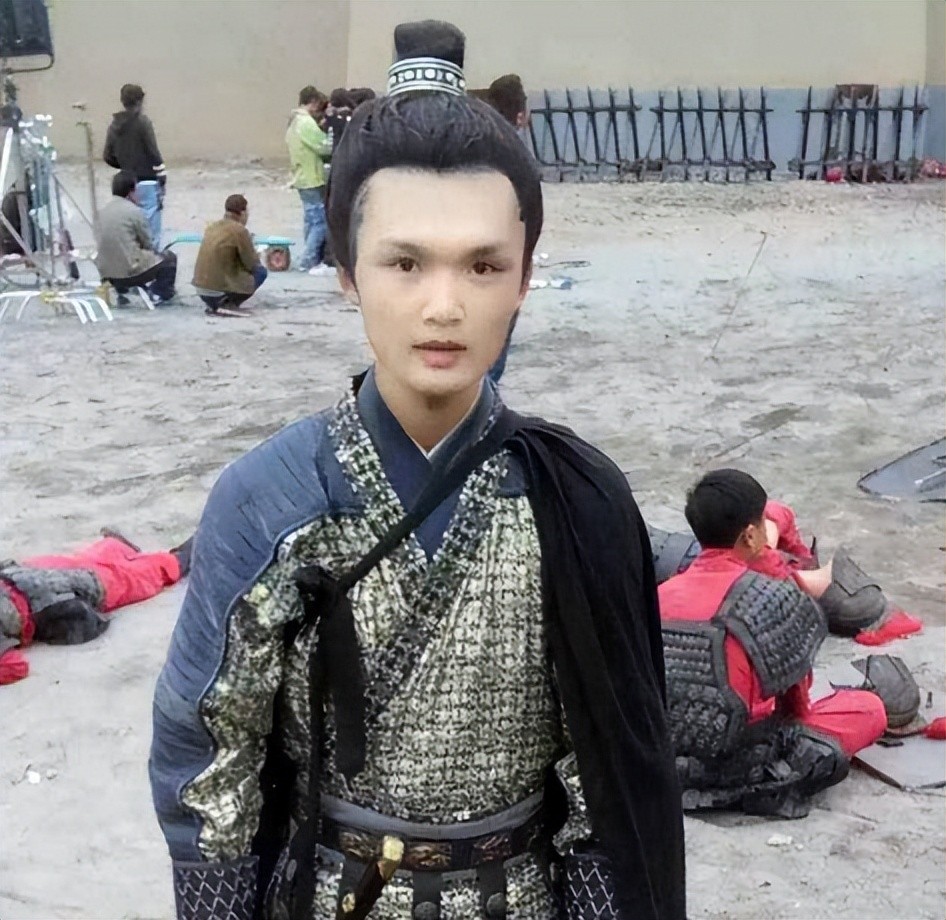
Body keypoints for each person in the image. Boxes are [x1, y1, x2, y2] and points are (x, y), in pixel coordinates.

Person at [151, 20, 684, 920]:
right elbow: (207, 745)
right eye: (404, 262)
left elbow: (609, 768)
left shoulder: (577, 498)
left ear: (524, 278)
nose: (444, 305)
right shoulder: (266, 499)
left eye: (483, 265)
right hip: (331, 896)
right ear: (347, 272)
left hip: (522, 898)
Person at [658, 469, 916, 818]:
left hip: (668, 758)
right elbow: (797, 707)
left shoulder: (658, 596)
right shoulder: (773, 596)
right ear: (751, 535)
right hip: (750, 761)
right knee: (868, 708)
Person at [647, 482, 922, 644]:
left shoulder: (771, 574)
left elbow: (778, 513)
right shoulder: (774, 583)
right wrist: (768, 541)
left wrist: (767, 540)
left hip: (675, 557)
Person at [0, 528, 190, 686]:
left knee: (128, 580)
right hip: (24, 574)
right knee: (84, 562)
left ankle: (181, 558)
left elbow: (16, 667)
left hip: (47, 595)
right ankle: (115, 547)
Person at [95, 170, 177, 305]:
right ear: (131, 191)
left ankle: (122, 291)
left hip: (105, 273)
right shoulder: (134, 211)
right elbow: (148, 244)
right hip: (130, 272)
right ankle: (160, 295)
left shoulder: (101, 212)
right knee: (169, 259)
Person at [103, 83, 167, 249]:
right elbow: (153, 151)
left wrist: (124, 166)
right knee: (150, 231)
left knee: (130, 227)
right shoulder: (143, 122)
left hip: (126, 183)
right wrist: (162, 175)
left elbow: (107, 156)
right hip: (147, 180)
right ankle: (152, 260)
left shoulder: (114, 125)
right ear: (140, 101)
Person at [192, 194, 268, 317]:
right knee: (261, 272)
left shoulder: (212, 227)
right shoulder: (240, 230)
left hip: (201, 289)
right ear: (242, 213)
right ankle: (228, 303)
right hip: (219, 291)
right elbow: (252, 263)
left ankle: (219, 303)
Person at [286, 86, 334, 276]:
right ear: (313, 102)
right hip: (312, 177)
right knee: (320, 221)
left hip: (302, 177)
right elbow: (324, 146)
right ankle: (308, 260)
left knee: (310, 220)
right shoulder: (305, 123)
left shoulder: (293, 121)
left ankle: (308, 257)